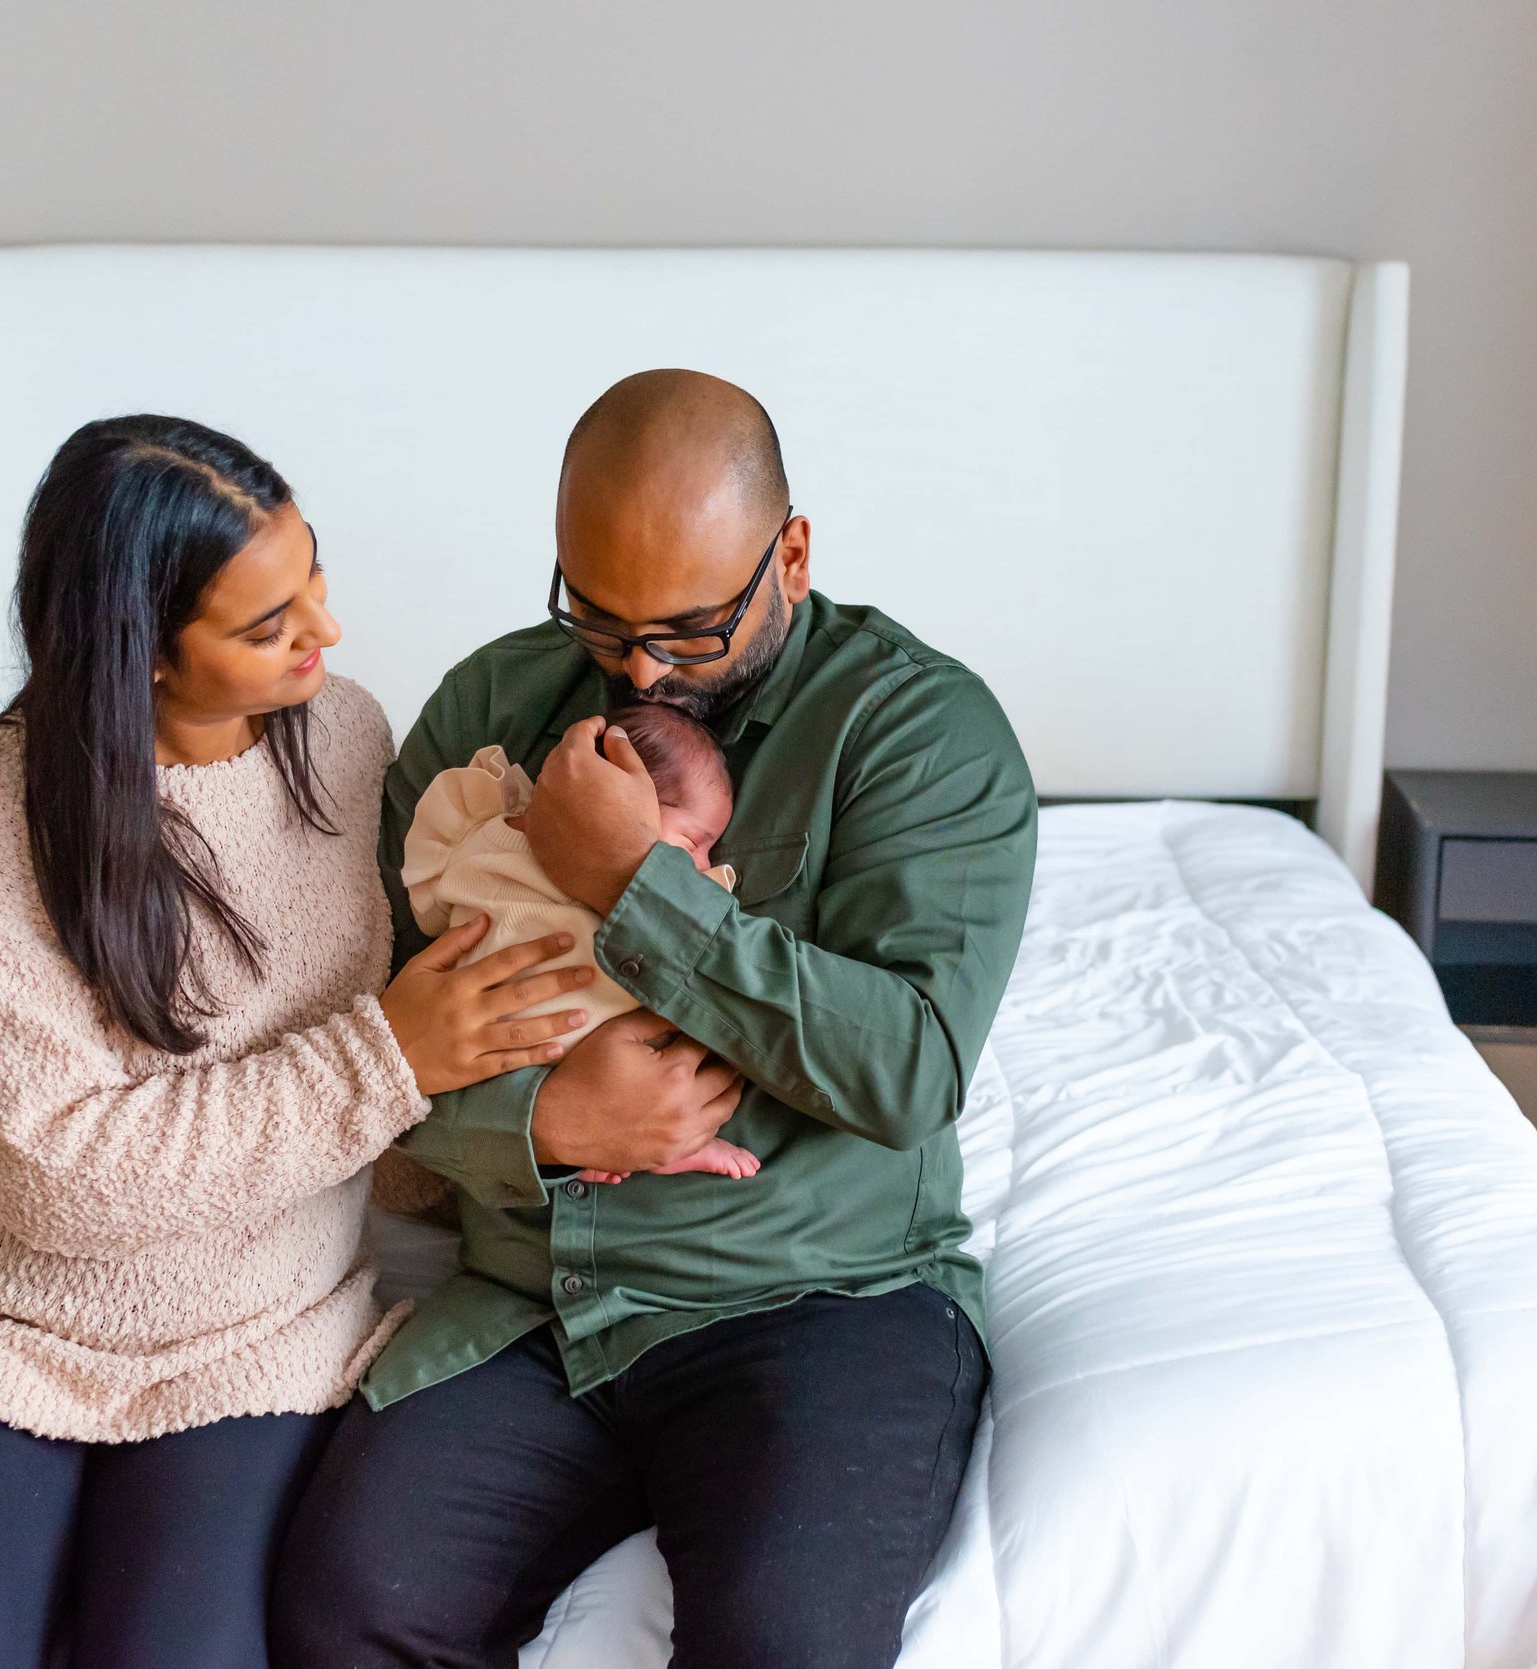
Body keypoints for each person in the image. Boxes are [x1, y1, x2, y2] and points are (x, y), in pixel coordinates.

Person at [273, 371, 1038, 1669]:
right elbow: (377, 1042)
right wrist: (541, 1118)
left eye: (687, 629)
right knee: (340, 1611)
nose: (635, 668)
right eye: (602, 616)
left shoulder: (918, 731)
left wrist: (637, 887)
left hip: (821, 1299)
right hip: (533, 1304)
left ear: (790, 553)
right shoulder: (490, 714)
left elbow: (911, 1068)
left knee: (784, 1643)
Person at [0, 414, 594, 1669]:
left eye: (314, 580)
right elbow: (55, 1178)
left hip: (254, 1324)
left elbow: (417, 1046)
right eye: (266, 623)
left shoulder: (347, 741)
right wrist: (384, 1060)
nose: (323, 635)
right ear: (145, 658)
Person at [399, 700, 756, 1182]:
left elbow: (431, 907)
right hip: (516, 1041)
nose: (702, 864)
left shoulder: (481, 831)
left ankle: (586, 1147)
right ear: (622, 803)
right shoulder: (624, 880)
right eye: (694, 842)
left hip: (490, 1054)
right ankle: (611, 1145)